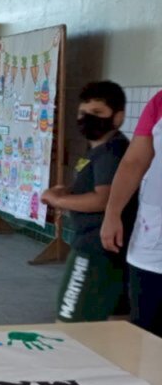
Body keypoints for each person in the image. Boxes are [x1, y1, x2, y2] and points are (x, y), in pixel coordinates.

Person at [42, 81, 133, 322]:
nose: (88, 119)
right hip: (112, 250)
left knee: (70, 323)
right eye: (83, 113)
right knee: (116, 324)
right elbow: (95, 187)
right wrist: (69, 192)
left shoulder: (111, 152)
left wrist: (58, 200)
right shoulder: (99, 149)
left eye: (98, 113)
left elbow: (102, 199)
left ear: (118, 117)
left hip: (95, 249)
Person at [102, 88, 162, 337]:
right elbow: (134, 162)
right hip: (153, 245)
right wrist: (112, 213)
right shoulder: (159, 102)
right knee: (146, 340)